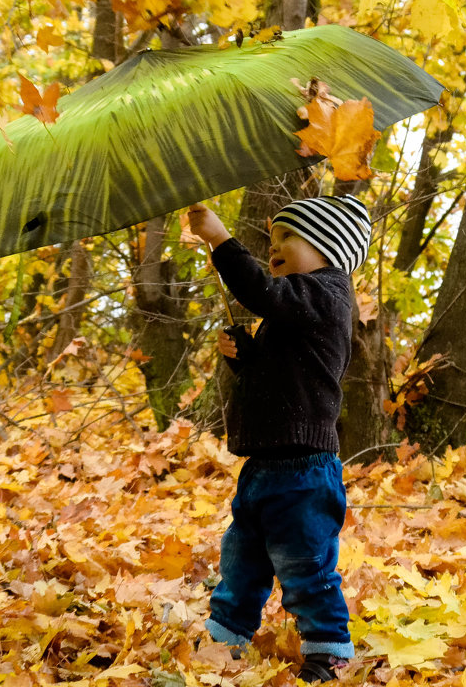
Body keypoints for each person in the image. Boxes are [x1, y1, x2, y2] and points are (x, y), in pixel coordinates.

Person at [186, 195, 372, 683]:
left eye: (289, 237)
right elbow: (281, 375)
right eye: (272, 239)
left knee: (305, 566)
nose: (275, 248)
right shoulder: (299, 307)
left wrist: (221, 241)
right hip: (264, 467)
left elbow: (263, 291)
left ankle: (330, 649)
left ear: (331, 249)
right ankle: (226, 639)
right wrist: (243, 356)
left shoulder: (327, 294)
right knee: (242, 557)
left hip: (305, 472)